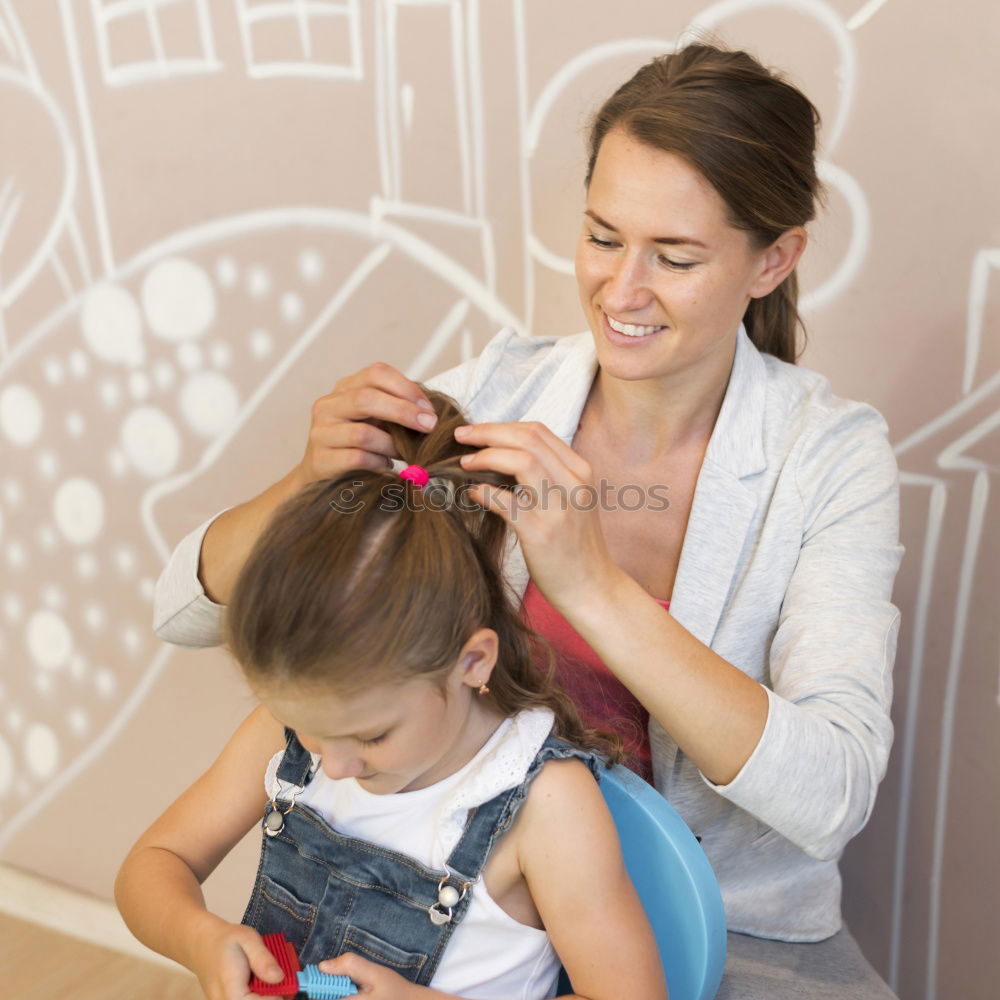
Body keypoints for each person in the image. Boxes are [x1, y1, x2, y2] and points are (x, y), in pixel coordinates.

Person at [152, 43, 903, 998]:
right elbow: (185, 612)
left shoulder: (828, 456)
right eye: (601, 237)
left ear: (775, 259)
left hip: (727, 928)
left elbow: (831, 795)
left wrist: (592, 586)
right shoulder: (499, 394)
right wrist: (304, 481)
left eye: (674, 258)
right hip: (465, 909)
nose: (621, 292)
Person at [117, 391, 666, 1000]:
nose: (336, 765)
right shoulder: (290, 733)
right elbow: (155, 862)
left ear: (472, 663)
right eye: (312, 731)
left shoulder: (543, 804)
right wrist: (198, 937)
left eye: (373, 736)